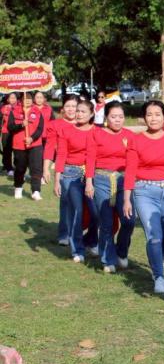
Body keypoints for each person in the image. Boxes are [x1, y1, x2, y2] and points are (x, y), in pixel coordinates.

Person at [123, 101, 164, 294]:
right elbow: (130, 170)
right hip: (144, 192)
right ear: (144, 118)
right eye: (149, 114)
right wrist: (126, 199)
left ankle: (158, 260)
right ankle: (159, 275)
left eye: (157, 114)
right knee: (154, 236)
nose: (153, 118)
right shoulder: (136, 140)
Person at [85, 101, 137, 273]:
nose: (117, 120)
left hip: (123, 181)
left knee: (129, 221)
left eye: (121, 117)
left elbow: (134, 162)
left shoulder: (130, 136)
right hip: (101, 180)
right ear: (106, 117)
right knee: (106, 222)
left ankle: (121, 251)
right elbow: (90, 158)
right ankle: (108, 259)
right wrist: (89, 182)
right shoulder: (96, 134)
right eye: (113, 117)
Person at [54, 99, 99, 262]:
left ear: (91, 114)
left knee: (96, 212)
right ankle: (77, 250)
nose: (78, 114)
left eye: (82, 111)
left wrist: (90, 180)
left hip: (93, 174)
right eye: (77, 111)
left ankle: (91, 240)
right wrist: (57, 180)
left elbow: (97, 155)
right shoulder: (66, 131)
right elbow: (61, 155)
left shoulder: (97, 131)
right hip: (70, 174)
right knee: (76, 213)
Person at [43, 94, 80, 245]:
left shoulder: (85, 124)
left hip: (86, 168)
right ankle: (64, 234)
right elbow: (49, 147)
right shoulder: (55, 125)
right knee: (66, 201)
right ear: (63, 108)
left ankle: (82, 233)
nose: (71, 109)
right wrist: (46, 169)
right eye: (68, 106)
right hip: (65, 168)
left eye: (74, 106)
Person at [7, 92, 45, 200]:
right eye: (25, 98)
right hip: (19, 145)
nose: (27, 100)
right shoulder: (14, 112)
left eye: (29, 98)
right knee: (20, 168)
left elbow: (40, 129)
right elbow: (10, 127)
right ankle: (18, 187)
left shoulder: (37, 112)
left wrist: (32, 138)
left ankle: (36, 191)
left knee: (36, 168)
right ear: (21, 100)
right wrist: (21, 125)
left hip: (35, 145)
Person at [1, 92, 18, 176]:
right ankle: (8, 167)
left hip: (16, 132)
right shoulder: (4, 108)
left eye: (14, 98)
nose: (13, 99)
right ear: (8, 99)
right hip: (6, 132)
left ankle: (16, 166)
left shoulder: (20, 107)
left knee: (17, 151)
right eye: (11, 98)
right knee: (7, 151)